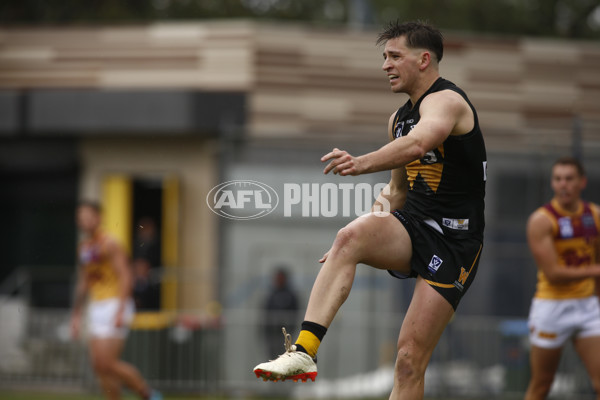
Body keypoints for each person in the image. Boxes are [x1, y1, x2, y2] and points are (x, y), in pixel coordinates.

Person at [253, 20, 487, 400]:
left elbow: (417, 145)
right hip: (413, 226)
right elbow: (396, 191)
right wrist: (355, 238)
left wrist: (359, 163)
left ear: (424, 59)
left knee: (409, 361)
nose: (385, 65)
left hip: (455, 241)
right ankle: (304, 352)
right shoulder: (398, 119)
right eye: (384, 57)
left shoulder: (447, 101)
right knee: (349, 236)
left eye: (395, 56)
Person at [524, 157, 600, 400]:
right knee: (542, 384)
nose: (563, 184)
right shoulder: (541, 220)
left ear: (582, 182)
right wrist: (595, 271)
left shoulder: (595, 215)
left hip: (588, 307)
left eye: (569, 179)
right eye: (558, 179)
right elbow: (553, 274)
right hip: (551, 307)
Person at [70, 201, 162, 400]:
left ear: (98, 217)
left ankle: (149, 394)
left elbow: (125, 275)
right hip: (97, 306)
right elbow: (84, 282)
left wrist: (121, 309)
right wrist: (76, 314)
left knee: (107, 363)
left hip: (114, 303)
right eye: (80, 218)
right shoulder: (84, 247)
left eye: (88, 216)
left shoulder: (109, 242)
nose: (84, 221)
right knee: (99, 367)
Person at [262, 267, 300, 358]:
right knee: (272, 356)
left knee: (285, 356)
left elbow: (295, 310)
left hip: (286, 333)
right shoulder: (271, 294)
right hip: (272, 333)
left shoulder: (291, 295)